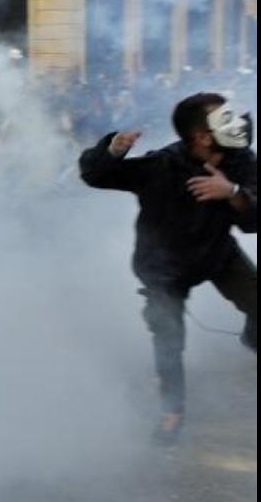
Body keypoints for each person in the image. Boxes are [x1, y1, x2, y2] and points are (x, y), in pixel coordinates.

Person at [79, 93, 256, 445]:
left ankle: (252, 338)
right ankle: (172, 411)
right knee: (168, 339)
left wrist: (232, 192)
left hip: (217, 253)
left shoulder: (241, 160)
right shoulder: (162, 165)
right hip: (164, 268)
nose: (237, 123)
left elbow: (254, 220)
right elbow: (95, 175)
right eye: (224, 119)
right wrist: (113, 149)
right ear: (201, 137)